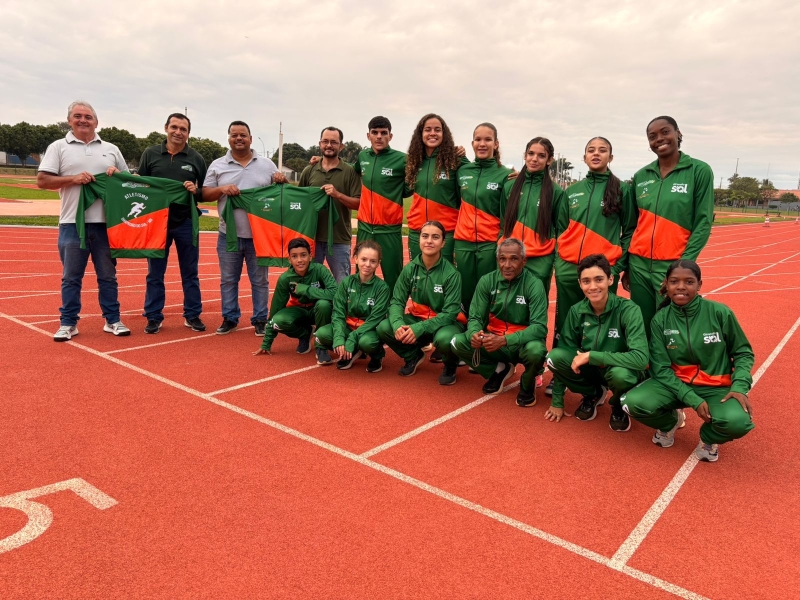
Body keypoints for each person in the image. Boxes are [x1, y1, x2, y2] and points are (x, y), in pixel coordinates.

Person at [621, 260, 754, 462]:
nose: (681, 287)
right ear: (667, 284)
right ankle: (670, 422)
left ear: (699, 285)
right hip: (674, 385)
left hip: (715, 386)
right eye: (675, 281)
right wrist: (693, 399)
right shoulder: (660, 320)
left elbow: (743, 352)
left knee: (739, 422)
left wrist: (740, 385)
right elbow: (661, 368)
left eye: (689, 282)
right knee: (632, 403)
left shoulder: (720, 313)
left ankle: (709, 437)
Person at [37, 100, 131, 341]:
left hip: (106, 224)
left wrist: (117, 175)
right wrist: (72, 179)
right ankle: (68, 322)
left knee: (108, 276)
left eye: (88, 117)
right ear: (69, 121)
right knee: (71, 277)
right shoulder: (58, 147)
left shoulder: (111, 148)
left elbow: (128, 182)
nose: (83, 120)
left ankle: (112, 319)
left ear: (96, 122)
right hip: (71, 223)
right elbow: (43, 181)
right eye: (77, 116)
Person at [623, 116, 714, 337]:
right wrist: (626, 265)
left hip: (673, 265)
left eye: (665, 132)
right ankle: (643, 370)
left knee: (671, 328)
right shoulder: (642, 176)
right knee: (641, 327)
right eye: (652, 137)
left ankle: (669, 370)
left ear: (678, 134)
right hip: (639, 266)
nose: (659, 139)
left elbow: (703, 222)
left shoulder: (699, 171)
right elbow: (631, 225)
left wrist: (683, 266)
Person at [545, 254, 648, 431]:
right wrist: (557, 401)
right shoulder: (576, 311)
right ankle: (593, 393)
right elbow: (565, 350)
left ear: (610, 280)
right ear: (580, 284)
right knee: (554, 356)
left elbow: (641, 359)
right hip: (592, 372)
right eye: (586, 281)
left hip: (619, 370)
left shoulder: (629, 310)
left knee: (620, 376)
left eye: (598, 279)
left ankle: (617, 403)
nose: (592, 286)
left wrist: (594, 356)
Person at [202, 120, 286, 337]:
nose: (238, 138)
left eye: (243, 135)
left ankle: (260, 319)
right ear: (228, 138)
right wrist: (221, 189)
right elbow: (204, 194)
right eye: (234, 135)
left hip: (259, 235)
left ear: (250, 137)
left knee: (260, 280)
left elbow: (279, 195)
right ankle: (230, 317)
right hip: (227, 233)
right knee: (228, 279)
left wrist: (280, 181)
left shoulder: (267, 165)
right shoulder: (217, 165)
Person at [554, 137, 636, 348]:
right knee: (567, 319)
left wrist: (618, 266)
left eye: (602, 150)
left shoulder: (621, 190)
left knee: (602, 321)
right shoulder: (571, 191)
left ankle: (599, 370)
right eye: (591, 150)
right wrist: (559, 261)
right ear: (584, 157)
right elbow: (561, 230)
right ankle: (562, 368)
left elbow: (629, 232)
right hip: (569, 268)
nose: (596, 153)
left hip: (603, 270)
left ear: (611, 157)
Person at [450, 238, 548, 406]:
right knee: (458, 341)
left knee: (537, 350)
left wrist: (505, 340)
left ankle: (527, 383)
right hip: (493, 341)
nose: (507, 265)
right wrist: (474, 332)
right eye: (502, 259)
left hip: (520, 344)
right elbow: (475, 317)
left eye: (514, 259)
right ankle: (499, 369)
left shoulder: (534, 284)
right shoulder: (487, 281)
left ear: (524, 261)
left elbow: (539, 328)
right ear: (497, 260)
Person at [137, 113, 208, 334]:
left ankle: (192, 314)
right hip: (157, 222)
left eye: (183, 129)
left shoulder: (196, 158)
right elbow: (141, 185)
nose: (178, 132)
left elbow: (204, 191)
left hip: (186, 220)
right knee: (155, 272)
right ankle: (154, 316)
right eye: (174, 127)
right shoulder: (150, 154)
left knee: (190, 272)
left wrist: (195, 191)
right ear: (166, 128)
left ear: (188, 133)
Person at [377, 221, 464, 383]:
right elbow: (396, 301)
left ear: (443, 243)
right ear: (419, 240)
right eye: (425, 236)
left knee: (445, 339)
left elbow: (450, 313)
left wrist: (419, 328)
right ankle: (413, 355)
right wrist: (397, 324)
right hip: (418, 319)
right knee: (385, 327)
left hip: (445, 324)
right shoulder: (410, 269)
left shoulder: (452, 274)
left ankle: (450, 365)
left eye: (435, 237)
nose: (429, 241)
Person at [453, 123, 513, 314]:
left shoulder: (505, 175)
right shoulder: (463, 170)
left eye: (488, 139)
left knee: (488, 294)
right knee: (465, 294)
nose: (482, 143)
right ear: (472, 143)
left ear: (496, 144)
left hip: (489, 244)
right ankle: (467, 337)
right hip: (463, 243)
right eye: (478, 139)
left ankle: (486, 336)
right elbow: (456, 200)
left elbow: (506, 215)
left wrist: (500, 241)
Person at [253, 238, 337, 364]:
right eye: (294, 256)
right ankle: (305, 334)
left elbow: (335, 292)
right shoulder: (285, 278)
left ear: (310, 256)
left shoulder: (320, 270)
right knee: (278, 320)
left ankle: (321, 347)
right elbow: (276, 308)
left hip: (320, 312)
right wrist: (267, 343)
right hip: (300, 312)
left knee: (323, 304)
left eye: (303, 255)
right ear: (289, 260)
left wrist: (306, 290)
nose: (299, 260)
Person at [314, 240, 390, 373]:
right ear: (355, 259)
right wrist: (338, 338)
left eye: (373, 261)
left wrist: (352, 338)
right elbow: (338, 312)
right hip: (348, 327)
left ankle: (377, 356)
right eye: (364, 259)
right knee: (321, 334)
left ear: (378, 263)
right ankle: (352, 352)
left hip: (368, 330)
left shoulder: (382, 288)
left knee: (367, 343)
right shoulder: (346, 283)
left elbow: (375, 319)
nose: (367, 264)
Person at [299, 126, 361, 282]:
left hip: (339, 239)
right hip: (312, 237)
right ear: (319, 144)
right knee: (310, 282)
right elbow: (298, 201)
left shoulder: (350, 172)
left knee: (342, 284)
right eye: (325, 141)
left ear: (341, 146)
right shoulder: (309, 170)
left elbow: (359, 203)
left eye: (334, 142)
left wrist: (337, 195)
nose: (329, 145)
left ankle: (341, 308)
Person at [352, 116, 407, 292]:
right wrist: (320, 161)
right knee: (361, 273)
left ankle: (393, 314)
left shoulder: (402, 159)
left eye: (384, 133)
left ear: (390, 136)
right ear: (368, 136)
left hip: (389, 229)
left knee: (393, 277)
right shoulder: (362, 157)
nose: (379, 137)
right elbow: (351, 171)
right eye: (375, 133)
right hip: (365, 228)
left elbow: (415, 183)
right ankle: (360, 311)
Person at [405, 113, 464, 264]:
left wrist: (511, 175)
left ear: (444, 134)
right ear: (421, 134)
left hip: (446, 233)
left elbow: (478, 173)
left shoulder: (455, 159)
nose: (432, 133)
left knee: (443, 279)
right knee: (417, 278)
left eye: (437, 130)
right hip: (417, 231)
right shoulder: (414, 160)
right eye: (428, 129)